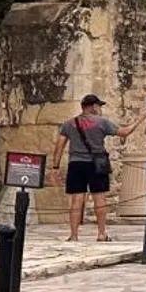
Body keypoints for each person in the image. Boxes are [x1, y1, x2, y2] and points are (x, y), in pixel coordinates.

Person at [49, 94, 121, 242]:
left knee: (77, 199)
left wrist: (55, 166)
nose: (100, 109)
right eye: (99, 106)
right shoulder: (102, 122)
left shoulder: (69, 123)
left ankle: (74, 235)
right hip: (96, 164)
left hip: (76, 164)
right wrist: (139, 121)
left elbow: (59, 145)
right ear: (93, 106)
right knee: (99, 198)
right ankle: (101, 233)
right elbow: (124, 132)